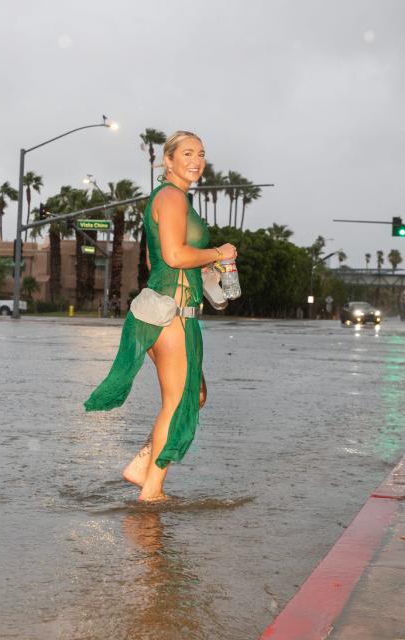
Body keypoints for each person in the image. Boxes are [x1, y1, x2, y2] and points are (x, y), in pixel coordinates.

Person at [84, 131, 236, 502]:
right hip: (173, 315)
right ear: (167, 161)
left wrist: (205, 269)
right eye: (187, 153)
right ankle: (151, 491)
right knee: (177, 401)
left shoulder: (174, 198)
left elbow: (156, 259)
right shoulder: (170, 197)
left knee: (194, 394)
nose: (196, 160)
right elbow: (173, 256)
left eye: (201, 153)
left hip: (172, 308)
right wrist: (218, 252)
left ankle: (141, 465)